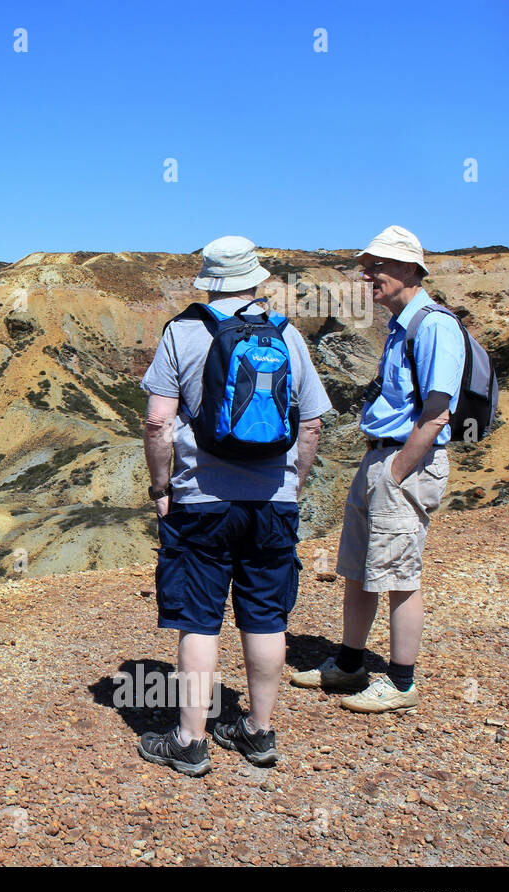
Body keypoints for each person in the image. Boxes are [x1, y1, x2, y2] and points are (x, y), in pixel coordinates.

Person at [137, 236, 331, 776]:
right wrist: (293, 484)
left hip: (201, 499)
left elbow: (157, 422)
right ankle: (259, 733)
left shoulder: (182, 332)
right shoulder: (288, 336)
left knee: (200, 621)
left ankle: (190, 742)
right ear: (256, 279)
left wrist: (161, 488)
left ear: (208, 280)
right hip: (273, 501)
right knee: (266, 617)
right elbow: (311, 423)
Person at [290, 226, 462, 714]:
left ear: (410, 269)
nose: (368, 275)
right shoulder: (401, 324)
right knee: (359, 568)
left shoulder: (433, 325)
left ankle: (402, 682)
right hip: (380, 455)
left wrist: (398, 470)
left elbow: (437, 410)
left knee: (401, 572)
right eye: (367, 266)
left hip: (404, 460)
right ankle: (349, 664)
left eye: (377, 266)